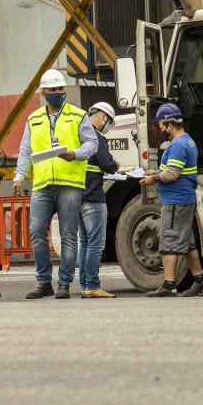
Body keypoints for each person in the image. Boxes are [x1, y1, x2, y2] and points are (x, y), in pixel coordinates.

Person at [12, 69, 98, 300]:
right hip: (42, 185)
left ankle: (64, 284)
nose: (58, 93)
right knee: (37, 232)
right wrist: (19, 176)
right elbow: (26, 150)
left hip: (69, 183)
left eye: (61, 89)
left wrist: (77, 154)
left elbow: (92, 143)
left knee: (69, 235)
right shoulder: (34, 119)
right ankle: (43, 282)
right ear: (43, 93)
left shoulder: (78, 116)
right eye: (53, 90)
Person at [140, 103, 203, 298]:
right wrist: (157, 171)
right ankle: (199, 281)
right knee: (187, 243)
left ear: (169, 125)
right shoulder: (188, 141)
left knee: (168, 241)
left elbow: (172, 175)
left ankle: (169, 285)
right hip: (184, 199)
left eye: (161, 125)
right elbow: (174, 170)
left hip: (176, 201)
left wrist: (154, 178)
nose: (160, 129)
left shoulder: (177, 145)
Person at [78, 102, 120, 299]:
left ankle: (85, 284)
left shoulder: (78, 135)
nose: (107, 126)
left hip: (78, 197)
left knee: (85, 243)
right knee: (95, 244)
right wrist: (114, 164)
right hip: (94, 198)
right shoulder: (96, 137)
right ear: (102, 117)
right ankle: (93, 285)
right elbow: (107, 164)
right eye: (108, 121)